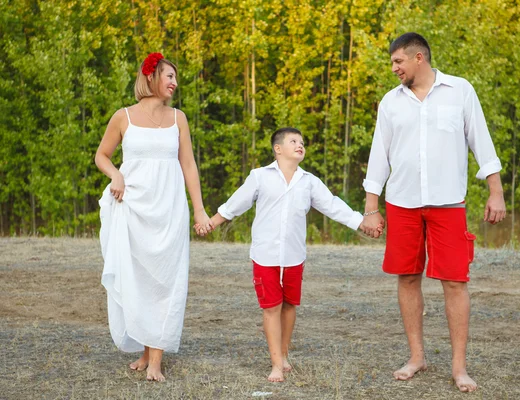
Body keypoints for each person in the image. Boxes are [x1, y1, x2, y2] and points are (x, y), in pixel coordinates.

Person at [360, 33, 506, 393]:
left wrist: (495, 191)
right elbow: (379, 155)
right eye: (393, 63)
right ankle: (417, 357)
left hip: (448, 203)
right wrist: (371, 208)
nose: (394, 69)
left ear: (419, 58)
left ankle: (459, 367)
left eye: (398, 62)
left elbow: (481, 140)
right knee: (407, 277)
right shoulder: (390, 103)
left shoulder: (459, 91)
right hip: (402, 203)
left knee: (454, 282)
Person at [195, 127, 379, 382]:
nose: (300, 145)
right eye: (293, 141)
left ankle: (283, 354)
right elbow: (236, 203)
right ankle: (275, 365)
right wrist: (210, 223)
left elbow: (333, 205)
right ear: (278, 149)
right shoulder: (259, 177)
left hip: (294, 256)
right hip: (265, 255)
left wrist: (362, 222)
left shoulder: (309, 182)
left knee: (290, 305)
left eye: (302, 142)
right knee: (272, 307)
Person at [95, 52, 212, 382]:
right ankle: (146, 353)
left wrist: (199, 209)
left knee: (165, 278)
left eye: (176, 77)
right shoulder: (124, 117)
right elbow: (101, 156)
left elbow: (188, 165)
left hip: (169, 208)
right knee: (140, 278)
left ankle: (156, 360)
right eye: (169, 76)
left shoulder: (179, 119)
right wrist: (115, 175)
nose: (175, 82)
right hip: (133, 207)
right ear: (150, 77)